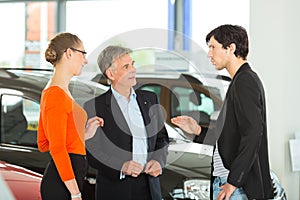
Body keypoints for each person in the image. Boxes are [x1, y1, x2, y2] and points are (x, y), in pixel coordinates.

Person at [171, 24, 275, 200]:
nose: (209, 54)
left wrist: (233, 181)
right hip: (230, 183)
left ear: (231, 48)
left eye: (213, 47)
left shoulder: (245, 81)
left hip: (236, 187)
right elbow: (230, 137)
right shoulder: (239, 81)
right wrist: (197, 130)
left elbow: (253, 133)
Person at [84, 45, 169, 200]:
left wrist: (158, 161)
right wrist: (121, 167)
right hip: (116, 190)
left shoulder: (150, 99)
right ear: (111, 73)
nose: (133, 69)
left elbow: (162, 138)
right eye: (126, 67)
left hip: (151, 188)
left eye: (133, 64)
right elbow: (93, 152)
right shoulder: (95, 106)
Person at [37, 32, 104, 200]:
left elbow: (45, 142)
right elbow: (55, 147)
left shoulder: (60, 91)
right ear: (69, 53)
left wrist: (85, 132)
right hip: (62, 184)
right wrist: (75, 193)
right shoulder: (55, 94)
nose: (85, 60)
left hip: (67, 178)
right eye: (83, 53)